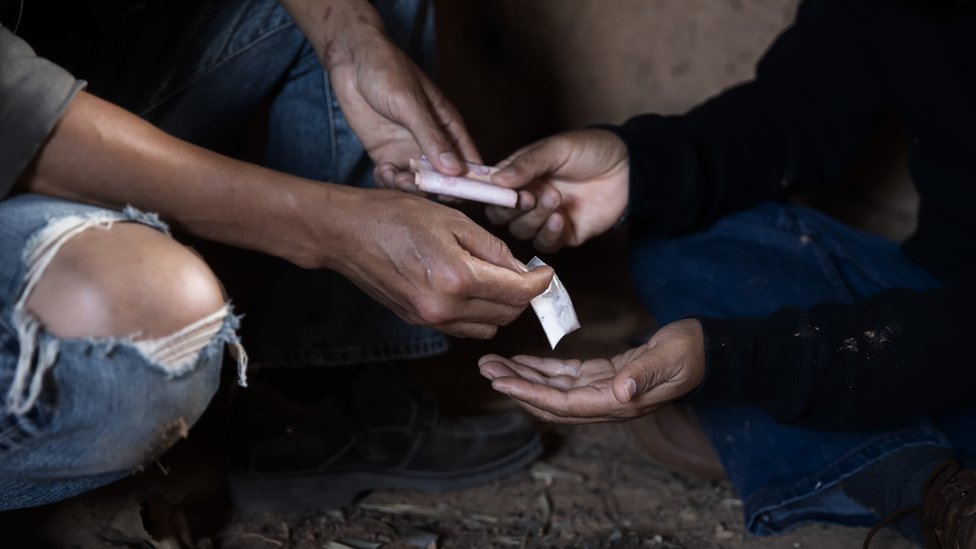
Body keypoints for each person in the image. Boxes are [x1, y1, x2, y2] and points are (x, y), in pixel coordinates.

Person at [0, 0, 553, 512]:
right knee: (153, 320)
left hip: (47, 64)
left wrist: (352, 39)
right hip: (16, 108)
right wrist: (330, 229)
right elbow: (15, 113)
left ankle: (322, 397)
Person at [461, 0, 975, 546]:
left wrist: (734, 359)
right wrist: (637, 167)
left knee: (730, 394)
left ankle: (919, 487)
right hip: (934, 288)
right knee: (677, 237)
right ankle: (804, 432)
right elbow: (801, 109)